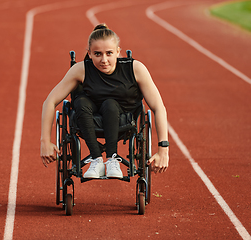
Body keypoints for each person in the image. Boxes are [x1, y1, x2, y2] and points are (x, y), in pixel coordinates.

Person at [40, 23, 169, 178]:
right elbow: (50, 101)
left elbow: (158, 107)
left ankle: (112, 158)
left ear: (118, 52)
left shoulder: (135, 69)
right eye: (97, 54)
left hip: (124, 119)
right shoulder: (81, 69)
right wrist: (45, 142)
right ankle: (96, 159)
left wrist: (163, 149)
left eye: (109, 53)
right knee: (80, 102)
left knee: (111, 104)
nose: (104, 60)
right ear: (89, 53)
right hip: (88, 118)